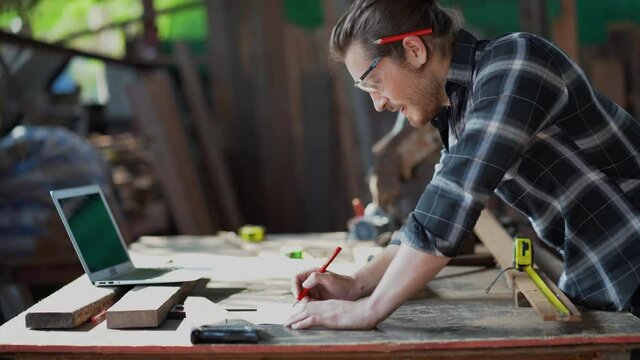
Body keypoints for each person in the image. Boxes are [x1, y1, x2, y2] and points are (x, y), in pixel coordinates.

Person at [285, 0, 640, 330]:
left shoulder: (515, 62)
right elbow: (430, 214)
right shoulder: (461, 111)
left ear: (413, 49)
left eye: (374, 83)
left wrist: (368, 311)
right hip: (605, 277)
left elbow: (454, 205)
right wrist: (356, 285)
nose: (378, 104)